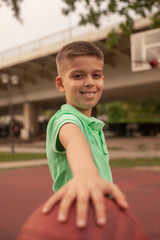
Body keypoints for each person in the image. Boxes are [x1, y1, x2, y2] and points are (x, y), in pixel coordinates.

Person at [42, 41, 129, 228]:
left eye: (96, 75)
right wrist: (86, 175)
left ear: (102, 80)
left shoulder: (93, 125)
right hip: (76, 220)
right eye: (78, 75)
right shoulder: (64, 119)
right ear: (61, 84)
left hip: (100, 214)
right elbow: (73, 139)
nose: (89, 82)